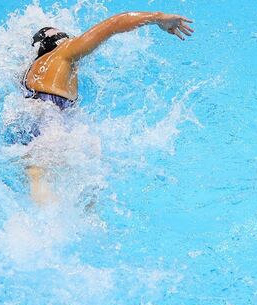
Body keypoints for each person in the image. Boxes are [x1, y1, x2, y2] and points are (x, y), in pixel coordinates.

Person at [20, 11, 193, 203]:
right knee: (87, 176)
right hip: (52, 117)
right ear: (59, 42)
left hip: (30, 121)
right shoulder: (64, 52)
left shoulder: (32, 72)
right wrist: (158, 17)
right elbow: (113, 24)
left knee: (39, 170)